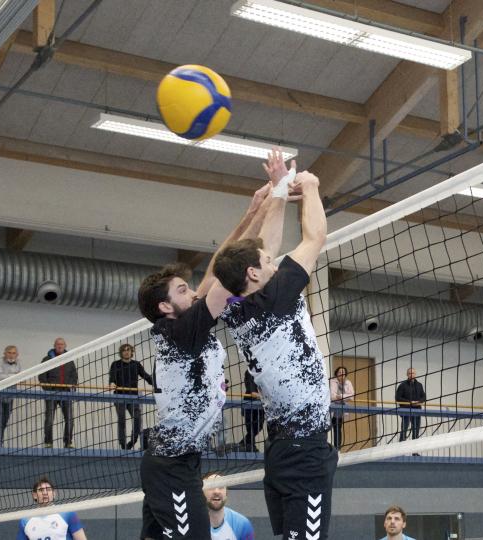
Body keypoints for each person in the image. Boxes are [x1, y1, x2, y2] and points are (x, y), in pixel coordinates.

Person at [137, 172, 278, 540]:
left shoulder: (186, 324)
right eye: (184, 290)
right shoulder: (179, 332)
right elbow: (228, 275)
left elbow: (219, 266)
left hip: (177, 459)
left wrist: (252, 211)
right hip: (172, 464)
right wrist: (276, 198)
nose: (193, 292)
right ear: (166, 306)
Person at [215, 157, 335, 540]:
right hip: (304, 453)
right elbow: (314, 237)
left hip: (281, 449)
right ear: (254, 274)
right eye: (268, 262)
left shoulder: (233, 307)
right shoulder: (277, 297)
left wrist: (280, 189)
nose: (273, 260)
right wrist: (311, 186)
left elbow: (261, 245)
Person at [108, 343, 154, 450]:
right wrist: (112, 383)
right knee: (121, 420)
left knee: (137, 418)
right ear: (121, 352)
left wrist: (155, 384)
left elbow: (146, 376)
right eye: (124, 350)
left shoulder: (136, 364)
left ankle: (133, 440)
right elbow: (112, 377)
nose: (126, 351)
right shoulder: (116, 364)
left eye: (128, 350)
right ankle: (123, 444)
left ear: (131, 352)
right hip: (119, 396)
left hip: (133, 397)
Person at [18, 477, 87, 540]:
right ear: (35, 495)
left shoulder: (68, 514)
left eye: (48, 490)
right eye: (41, 490)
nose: (45, 493)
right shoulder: (25, 520)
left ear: (53, 494)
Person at [39, 337, 77, 448]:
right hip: (51, 393)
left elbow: (74, 376)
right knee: (49, 419)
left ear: (65, 346)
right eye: (58, 344)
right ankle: (48, 442)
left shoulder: (69, 360)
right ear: (54, 345)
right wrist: (47, 390)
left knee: (69, 418)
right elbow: (41, 376)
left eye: (62, 344)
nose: (60, 346)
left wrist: (71, 385)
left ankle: (68, 442)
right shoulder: (47, 359)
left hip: (66, 393)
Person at [204, 472, 256, 540]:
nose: (217, 491)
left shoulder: (243, 524)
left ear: (226, 493)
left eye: (221, 487)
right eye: (211, 486)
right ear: (201, 492)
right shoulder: (190, 523)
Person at [0, 345, 21, 447]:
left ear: (17, 354)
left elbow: (20, 377)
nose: (11, 355)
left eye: (14, 353)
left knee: (5, 418)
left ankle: (0, 439)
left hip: (10, 395)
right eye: (9, 352)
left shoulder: (18, 364)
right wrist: (12, 377)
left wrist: (12, 377)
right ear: (5, 353)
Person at [395, 368, 425, 442]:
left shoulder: (419, 385)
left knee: (416, 431)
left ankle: (414, 452)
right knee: (404, 430)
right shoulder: (402, 385)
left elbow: (424, 397)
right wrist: (410, 402)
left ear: (415, 374)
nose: (412, 375)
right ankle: (401, 450)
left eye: (413, 373)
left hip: (417, 410)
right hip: (406, 410)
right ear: (407, 374)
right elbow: (398, 398)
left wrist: (418, 402)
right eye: (410, 373)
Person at [237, 371, 264, 453]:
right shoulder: (250, 372)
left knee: (258, 426)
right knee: (251, 426)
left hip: (260, 404)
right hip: (250, 403)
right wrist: (261, 395)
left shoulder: (263, 371)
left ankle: (245, 443)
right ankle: (249, 444)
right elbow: (251, 389)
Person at [329, 366, 354, 449]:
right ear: (336, 373)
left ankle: (337, 448)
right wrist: (340, 397)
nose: (341, 373)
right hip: (332, 407)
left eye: (343, 372)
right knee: (327, 428)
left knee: (337, 428)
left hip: (341, 409)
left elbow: (351, 396)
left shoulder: (348, 383)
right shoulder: (332, 381)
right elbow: (331, 396)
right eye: (339, 372)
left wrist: (340, 396)